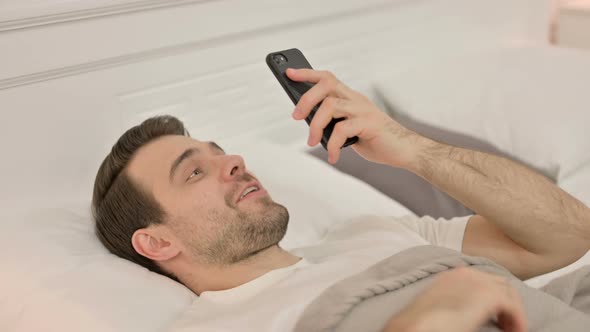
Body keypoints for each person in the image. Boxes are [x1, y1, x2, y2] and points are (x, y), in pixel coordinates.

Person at [91, 68, 590, 332]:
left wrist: (411, 148)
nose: (235, 161)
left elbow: (567, 237)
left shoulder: (373, 231)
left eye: (221, 152)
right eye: (195, 171)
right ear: (156, 242)